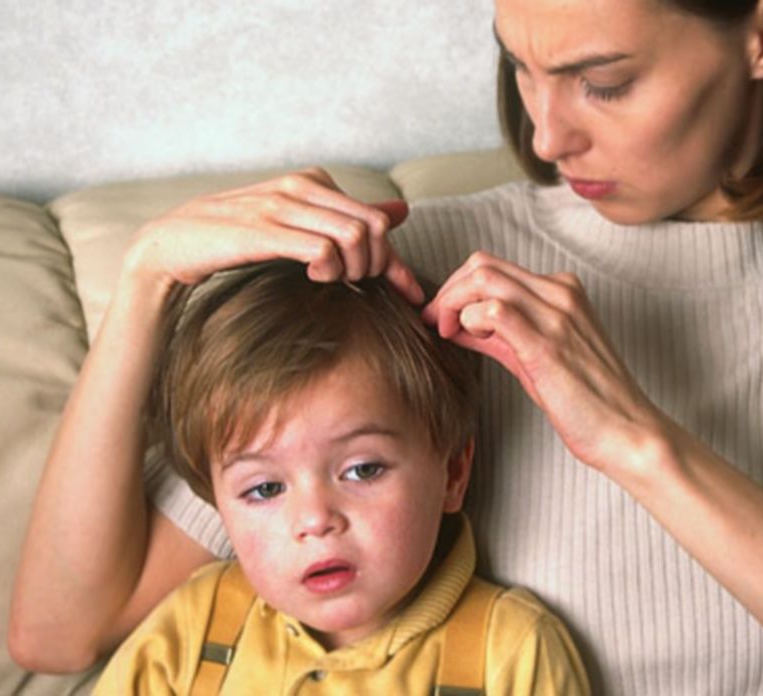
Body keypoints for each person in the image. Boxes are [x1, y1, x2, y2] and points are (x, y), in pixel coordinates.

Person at [11, 0, 763, 694]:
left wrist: (638, 445)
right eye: (521, 67)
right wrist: (147, 279)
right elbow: (60, 633)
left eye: (602, 83)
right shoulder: (427, 269)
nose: (546, 135)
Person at [93, 262, 590, 694]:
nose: (315, 519)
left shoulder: (511, 650)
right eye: (265, 489)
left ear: (454, 473)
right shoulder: (196, 624)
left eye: (362, 470)